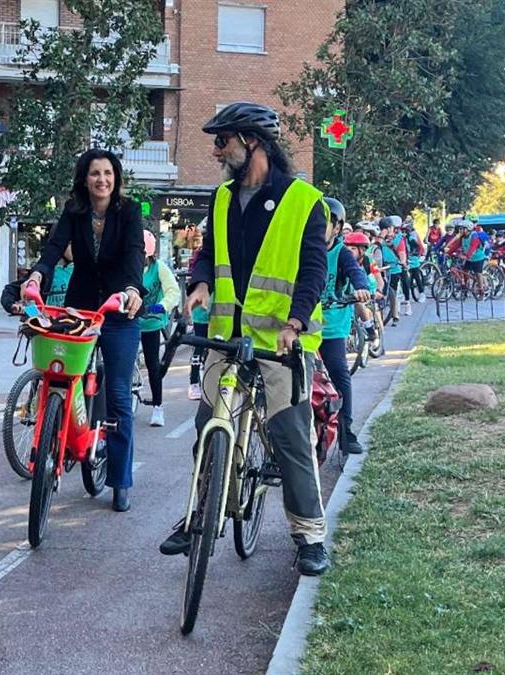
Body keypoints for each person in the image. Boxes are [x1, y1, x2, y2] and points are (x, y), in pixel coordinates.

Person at [158, 101, 332, 576]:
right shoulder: (221, 198)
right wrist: (198, 284)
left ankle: (309, 535)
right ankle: (199, 514)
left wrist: (295, 324)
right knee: (207, 426)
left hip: (282, 342)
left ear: (252, 141)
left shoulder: (304, 201)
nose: (215, 150)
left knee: (291, 437)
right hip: (226, 338)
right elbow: (208, 255)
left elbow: (314, 271)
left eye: (222, 140)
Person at [22, 148, 145, 512]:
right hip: (81, 309)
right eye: (95, 173)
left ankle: (120, 479)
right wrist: (38, 274)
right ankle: (61, 437)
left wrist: (132, 290)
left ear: (116, 178)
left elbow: (135, 254)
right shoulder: (74, 212)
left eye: (108, 173)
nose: (102, 180)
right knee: (63, 377)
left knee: (120, 395)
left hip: (120, 309)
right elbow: (54, 248)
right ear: (84, 178)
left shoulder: (130, 212)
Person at [319, 198, 373, 456]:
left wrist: (361, 288)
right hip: (303, 327)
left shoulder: (341, 253)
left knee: (340, 374)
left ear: (337, 228)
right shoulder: (304, 249)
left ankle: (346, 430)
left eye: (324, 222)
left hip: (331, 329)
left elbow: (355, 271)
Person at [139, 230, 181, 427]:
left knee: (152, 364)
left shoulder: (159, 268)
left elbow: (173, 291)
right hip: (129, 321)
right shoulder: (129, 266)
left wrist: (162, 305)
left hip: (150, 321)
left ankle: (157, 407)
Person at [187, 233, 209, 401]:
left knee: (212, 351)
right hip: (202, 313)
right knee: (200, 348)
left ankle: (205, 383)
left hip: (217, 314)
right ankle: (194, 383)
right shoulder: (202, 260)